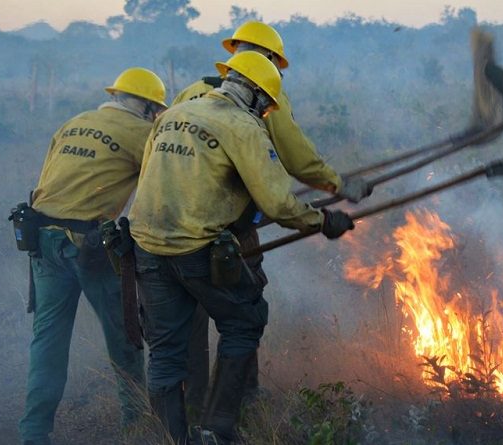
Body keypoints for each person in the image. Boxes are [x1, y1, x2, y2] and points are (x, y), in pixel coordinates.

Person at [128, 51, 355, 444]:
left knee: (165, 350)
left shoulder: (172, 115)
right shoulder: (242, 125)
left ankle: (173, 439)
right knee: (244, 322)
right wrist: (323, 221)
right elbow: (279, 203)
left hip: (146, 246)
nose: (267, 114)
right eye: (267, 107)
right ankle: (217, 429)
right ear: (253, 95)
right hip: (197, 248)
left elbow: (152, 177)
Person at [172, 20, 372, 422]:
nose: (276, 76)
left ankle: (191, 412)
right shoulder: (259, 95)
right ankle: (240, 405)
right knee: (244, 314)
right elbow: (297, 158)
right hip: (226, 232)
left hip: (173, 231)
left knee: (187, 323)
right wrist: (339, 185)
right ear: (265, 60)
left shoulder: (190, 92)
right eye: (274, 66)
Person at [17, 67, 168, 445]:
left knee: (48, 342)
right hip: (90, 247)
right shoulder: (144, 133)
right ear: (149, 107)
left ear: (116, 96)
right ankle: (137, 428)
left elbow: (45, 184)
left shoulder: (74, 122)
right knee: (125, 337)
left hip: (41, 238)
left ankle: (34, 434)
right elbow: (160, 190)